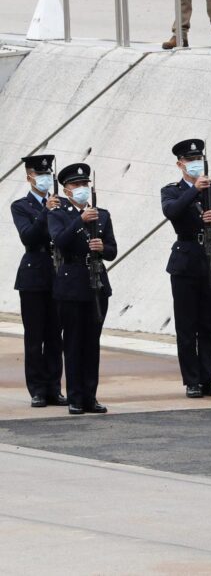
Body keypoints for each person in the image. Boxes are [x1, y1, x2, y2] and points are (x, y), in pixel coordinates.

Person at [161, 139, 211, 399]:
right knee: (187, 325)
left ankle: (207, 376)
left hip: (209, 259)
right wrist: (194, 191)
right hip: (185, 261)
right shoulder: (173, 191)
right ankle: (191, 380)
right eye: (190, 160)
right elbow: (173, 212)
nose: (196, 164)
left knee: (208, 324)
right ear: (180, 164)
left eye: (199, 159)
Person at [48, 163, 117, 415]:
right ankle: (75, 397)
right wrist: (79, 220)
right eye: (76, 185)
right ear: (66, 190)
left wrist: (102, 248)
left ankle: (90, 395)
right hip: (71, 283)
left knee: (92, 342)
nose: (81, 189)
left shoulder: (103, 214)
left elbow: (112, 250)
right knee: (74, 342)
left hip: (96, 282)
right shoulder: (58, 214)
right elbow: (59, 242)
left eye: (84, 185)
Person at [11, 154, 65, 407]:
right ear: (30, 177)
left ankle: (54, 387)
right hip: (34, 273)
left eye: (47, 174)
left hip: (58, 273)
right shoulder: (21, 206)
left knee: (56, 334)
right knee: (35, 335)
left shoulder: (61, 204)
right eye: (39, 174)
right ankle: (37, 389)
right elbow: (29, 237)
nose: (44, 178)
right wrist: (45, 212)